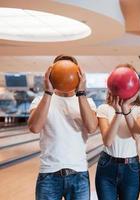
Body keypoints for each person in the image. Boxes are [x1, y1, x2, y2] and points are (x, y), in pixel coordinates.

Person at [28, 55, 97, 200]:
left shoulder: (87, 102)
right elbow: (34, 127)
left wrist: (81, 92)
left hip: (79, 174)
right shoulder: (40, 101)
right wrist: (48, 91)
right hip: (49, 174)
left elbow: (91, 127)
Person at [95, 64, 140, 200]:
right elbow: (107, 141)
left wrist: (126, 109)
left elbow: (137, 136)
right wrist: (118, 112)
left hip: (131, 168)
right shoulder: (104, 108)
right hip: (106, 165)